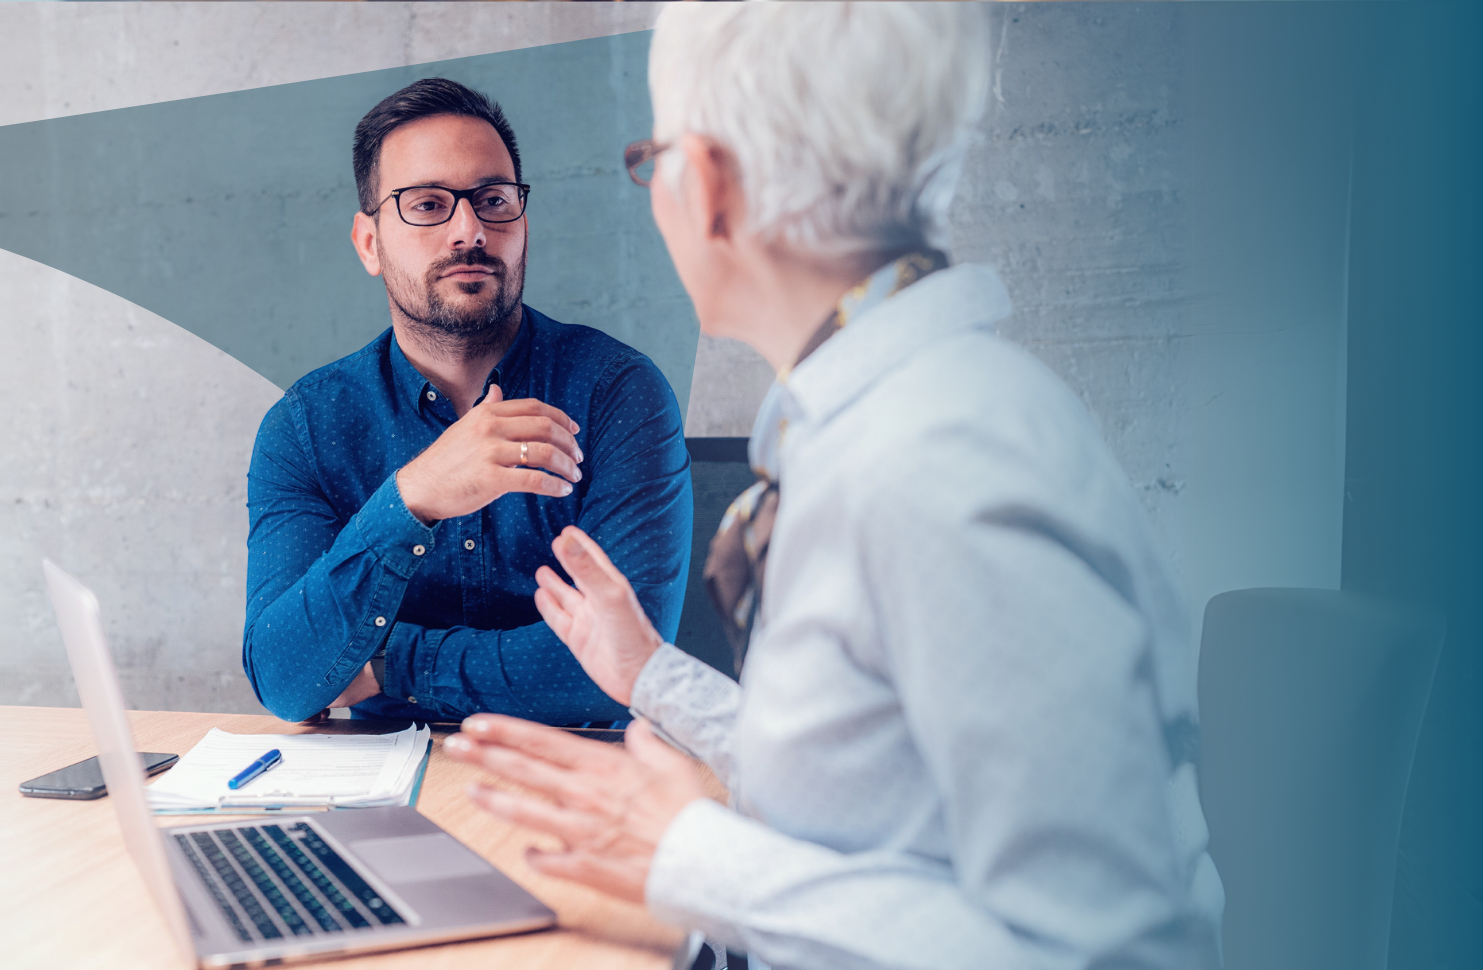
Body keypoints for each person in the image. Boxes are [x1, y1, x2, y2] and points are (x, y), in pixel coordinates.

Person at [442, 5, 1225, 969]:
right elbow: (877, 794)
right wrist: (653, 676)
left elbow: (1112, 953)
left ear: (709, 185)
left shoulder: (941, 462)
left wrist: (692, 855)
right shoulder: (879, 424)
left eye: (654, 160)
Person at [242, 79, 692, 727]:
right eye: (427, 204)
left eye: (493, 200)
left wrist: (386, 664)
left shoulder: (617, 393)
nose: (469, 230)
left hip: (585, 773)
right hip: (384, 780)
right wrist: (411, 499)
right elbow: (284, 677)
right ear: (369, 243)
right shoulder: (306, 427)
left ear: (522, 223)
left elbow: (622, 673)